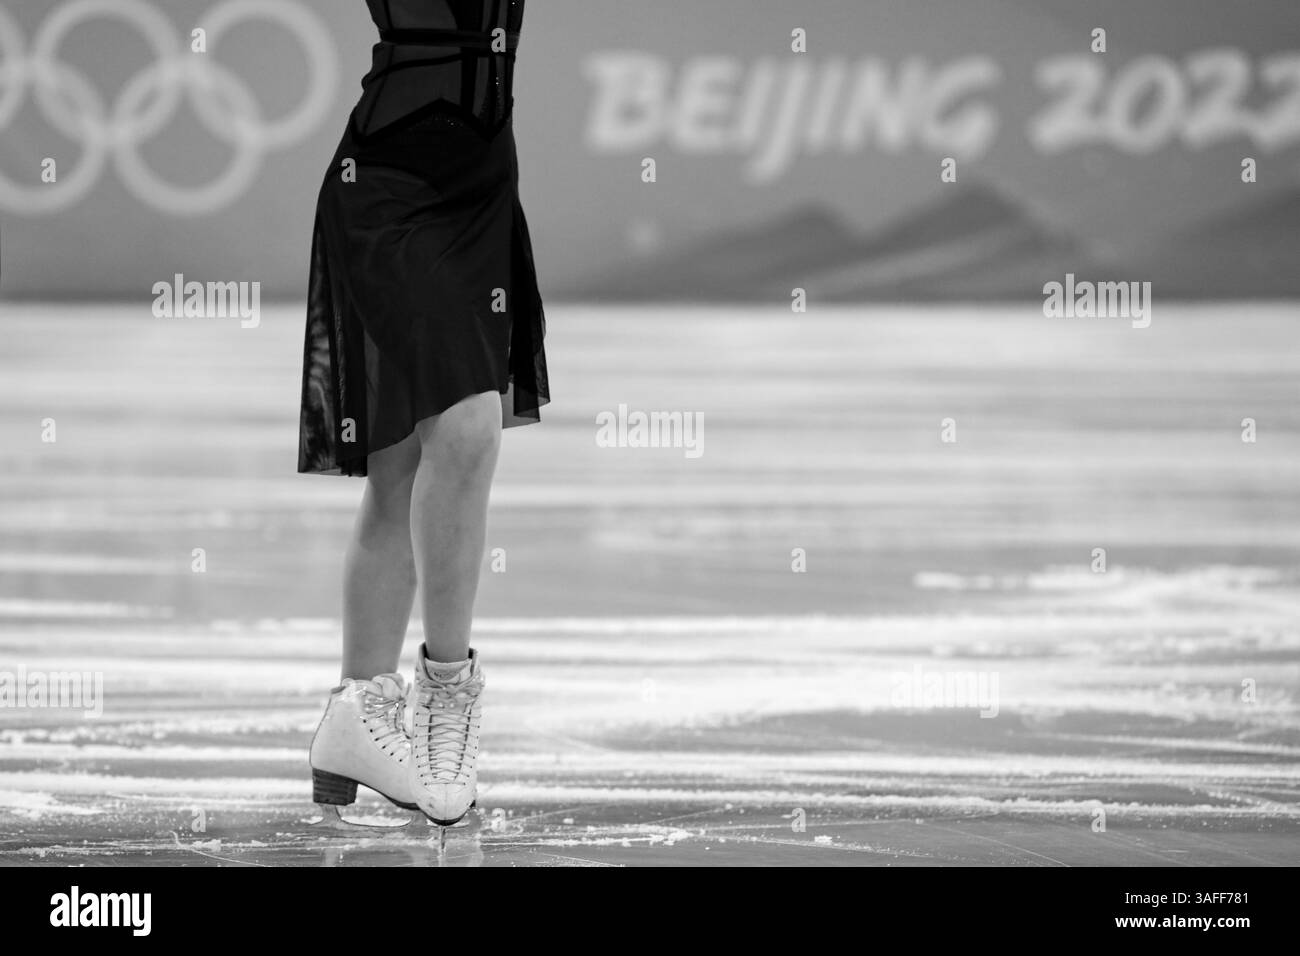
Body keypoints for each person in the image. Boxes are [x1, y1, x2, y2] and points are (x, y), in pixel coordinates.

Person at [297, 0, 548, 827]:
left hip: (479, 189)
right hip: (383, 184)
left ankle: (354, 715)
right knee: (468, 422)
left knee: (400, 462)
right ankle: (446, 691)